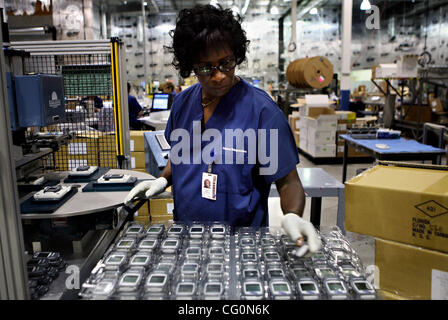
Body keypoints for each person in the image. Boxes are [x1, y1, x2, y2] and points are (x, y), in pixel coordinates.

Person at [125, 4, 320, 255]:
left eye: (226, 63)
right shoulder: (183, 104)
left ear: (236, 56)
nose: (218, 76)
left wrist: (293, 214)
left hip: (242, 245)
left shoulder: (261, 113)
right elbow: (180, 156)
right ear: (191, 66)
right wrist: (163, 179)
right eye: (206, 67)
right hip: (187, 239)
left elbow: (288, 182)